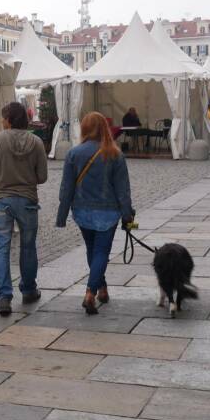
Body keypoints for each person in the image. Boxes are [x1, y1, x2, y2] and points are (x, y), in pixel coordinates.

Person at [56, 112, 135, 315]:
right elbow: (123, 190)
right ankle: (91, 292)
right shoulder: (115, 153)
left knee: (93, 251)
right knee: (100, 253)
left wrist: (62, 215)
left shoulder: (74, 154)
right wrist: (128, 216)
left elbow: (66, 189)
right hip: (108, 213)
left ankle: (102, 289)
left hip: (82, 211)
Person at [0, 102, 48, 316]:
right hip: (27, 200)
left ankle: (4, 297)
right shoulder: (36, 142)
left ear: (9, 119)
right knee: (28, 246)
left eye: (3, 118)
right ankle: (28, 289)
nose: (1, 121)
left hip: (1, 199)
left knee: (1, 248)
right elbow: (43, 177)